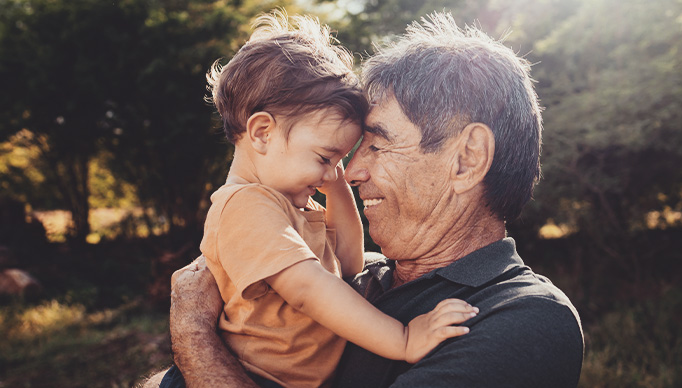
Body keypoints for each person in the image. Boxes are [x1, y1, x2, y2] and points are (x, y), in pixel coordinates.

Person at [153, 10, 584, 388]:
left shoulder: (523, 320)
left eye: (377, 146)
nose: (351, 172)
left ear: (467, 159)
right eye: (341, 154)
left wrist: (193, 336)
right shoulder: (363, 276)